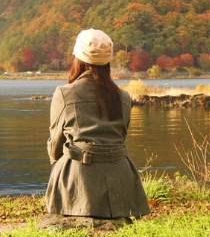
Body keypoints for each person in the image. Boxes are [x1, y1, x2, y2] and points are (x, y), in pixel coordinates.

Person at [45, 28, 150, 219]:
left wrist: (59, 170)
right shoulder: (123, 97)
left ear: (78, 59)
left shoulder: (63, 93)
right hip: (122, 183)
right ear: (107, 61)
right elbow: (120, 137)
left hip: (78, 184)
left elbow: (55, 147)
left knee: (61, 159)